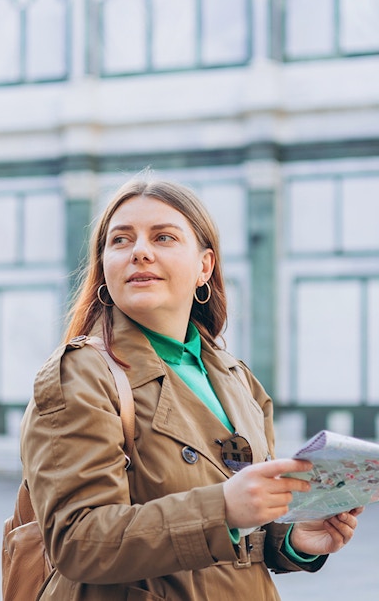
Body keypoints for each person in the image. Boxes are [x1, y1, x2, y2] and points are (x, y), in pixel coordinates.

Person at [21, 177, 362, 601]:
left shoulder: (238, 379)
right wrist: (223, 508)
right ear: (105, 268)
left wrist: (294, 536)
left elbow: (245, 531)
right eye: (121, 240)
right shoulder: (80, 374)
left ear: (205, 267)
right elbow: (78, 540)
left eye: (163, 237)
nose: (140, 251)